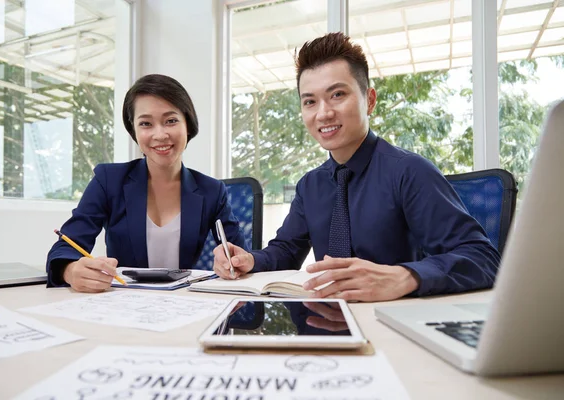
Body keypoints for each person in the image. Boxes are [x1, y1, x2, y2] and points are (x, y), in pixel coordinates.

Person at [213, 32, 500, 302]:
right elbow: (285, 251)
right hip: (328, 322)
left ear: (370, 100)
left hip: (395, 323)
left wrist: (407, 276)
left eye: (337, 95)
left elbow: (482, 258)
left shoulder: (410, 172)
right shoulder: (310, 185)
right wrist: (249, 260)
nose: (323, 113)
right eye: (310, 101)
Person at [47, 74, 245, 292]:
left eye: (171, 120)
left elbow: (242, 255)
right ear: (134, 131)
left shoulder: (212, 191)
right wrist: (71, 270)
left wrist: (233, 262)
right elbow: (65, 247)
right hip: (123, 303)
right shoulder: (108, 180)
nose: (160, 134)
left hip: (185, 305)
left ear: (188, 124)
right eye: (146, 124)